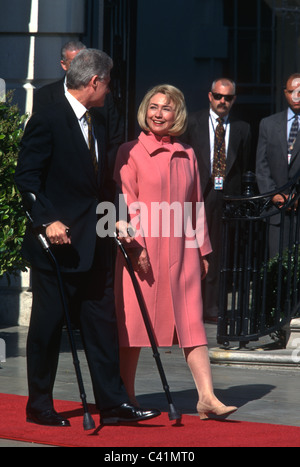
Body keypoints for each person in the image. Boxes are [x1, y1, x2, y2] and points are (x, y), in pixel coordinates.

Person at [15, 48, 160, 427]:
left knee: (101, 324)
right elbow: (26, 178)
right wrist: (47, 220)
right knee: (47, 326)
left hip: (96, 239)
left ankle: (112, 404)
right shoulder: (48, 116)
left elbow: (100, 185)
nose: (110, 90)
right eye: (108, 83)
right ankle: (39, 405)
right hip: (58, 248)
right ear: (94, 82)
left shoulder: (96, 120)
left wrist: (117, 220)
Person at [114, 84, 237, 420]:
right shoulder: (130, 152)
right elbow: (124, 207)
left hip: (183, 253)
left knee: (192, 322)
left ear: (177, 114)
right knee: (135, 326)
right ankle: (127, 396)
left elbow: (195, 207)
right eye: (153, 107)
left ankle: (207, 397)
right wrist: (134, 246)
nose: (158, 114)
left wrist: (203, 250)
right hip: (144, 252)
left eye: (166, 108)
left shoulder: (188, 154)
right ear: (144, 110)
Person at [181, 78, 252, 321]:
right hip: (199, 192)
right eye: (219, 96)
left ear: (234, 99)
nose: (223, 101)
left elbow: (244, 167)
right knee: (192, 249)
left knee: (219, 252)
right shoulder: (193, 122)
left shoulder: (242, 128)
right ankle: (190, 306)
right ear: (210, 96)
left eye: (228, 97)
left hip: (226, 196)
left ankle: (211, 308)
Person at [33, 40, 124, 176]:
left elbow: (114, 140)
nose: (81, 67)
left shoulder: (102, 100)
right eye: (75, 62)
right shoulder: (46, 98)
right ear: (64, 65)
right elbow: (33, 165)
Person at [256, 73, 300, 257]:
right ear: (285, 93)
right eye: (292, 92)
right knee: (277, 267)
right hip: (276, 211)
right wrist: (274, 194)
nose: (296, 96)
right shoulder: (268, 124)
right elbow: (261, 164)